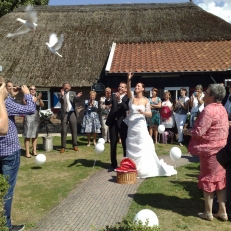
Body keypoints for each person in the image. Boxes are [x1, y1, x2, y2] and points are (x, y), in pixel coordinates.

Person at [184, 84, 229, 221]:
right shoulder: (222, 109)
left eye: (207, 92)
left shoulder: (208, 110)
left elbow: (199, 131)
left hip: (210, 152)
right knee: (220, 180)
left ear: (212, 96)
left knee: (208, 180)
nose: (204, 93)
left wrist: (187, 132)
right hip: (223, 151)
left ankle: (208, 213)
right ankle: (223, 212)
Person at [125, 72, 177, 178]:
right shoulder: (132, 98)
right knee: (131, 145)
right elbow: (128, 91)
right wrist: (129, 80)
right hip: (132, 126)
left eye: (139, 86)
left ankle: (142, 168)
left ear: (143, 89)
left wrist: (142, 112)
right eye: (136, 86)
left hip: (140, 126)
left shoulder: (146, 100)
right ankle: (132, 167)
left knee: (141, 145)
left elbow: (149, 114)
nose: (137, 87)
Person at [0, 80, 36, 231]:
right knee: (7, 190)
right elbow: (29, 109)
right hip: (9, 151)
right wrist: (27, 94)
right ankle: (6, 226)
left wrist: (12, 95)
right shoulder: (4, 102)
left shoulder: (7, 100)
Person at [105, 81, 129, 171]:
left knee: (124, 144)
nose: (120, 88)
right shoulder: (114, 96)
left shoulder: (127, 98)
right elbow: (108, 103)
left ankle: (126, 164)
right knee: (113, 144)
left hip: (122, 123)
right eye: (119, 86)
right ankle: (113, 164)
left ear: (126, 89)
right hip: (113, 123)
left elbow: (125, 108)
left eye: (122, 87)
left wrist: (119, 100)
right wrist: (107, 98)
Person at [58, 83, 82, 153]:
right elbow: (60, 101)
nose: (66, 87)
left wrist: (77, 96)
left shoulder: (73, 93)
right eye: (65, 86)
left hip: (72, 113)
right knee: (64, 130)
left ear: (70, 87)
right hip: (64, 113)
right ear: (63, 87)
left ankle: (75, 145)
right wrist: (62, 96)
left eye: (68, 86)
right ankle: (63, 147)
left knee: (74, 130)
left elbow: (76, 100)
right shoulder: (60, 94)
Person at [22, 85, 44, 157]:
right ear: (29, 90)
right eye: (31, 89)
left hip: (35, 118)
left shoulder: (37, 98)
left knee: (34, 135)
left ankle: (34, 151)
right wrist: (36, 98)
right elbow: (25, 104)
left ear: (36, 90)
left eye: (34, 89)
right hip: (28, 117)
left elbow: (42, 105)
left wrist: (39, 99)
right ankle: (27, 152)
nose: (33, 90)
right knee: (28, 135)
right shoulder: (26, 97)